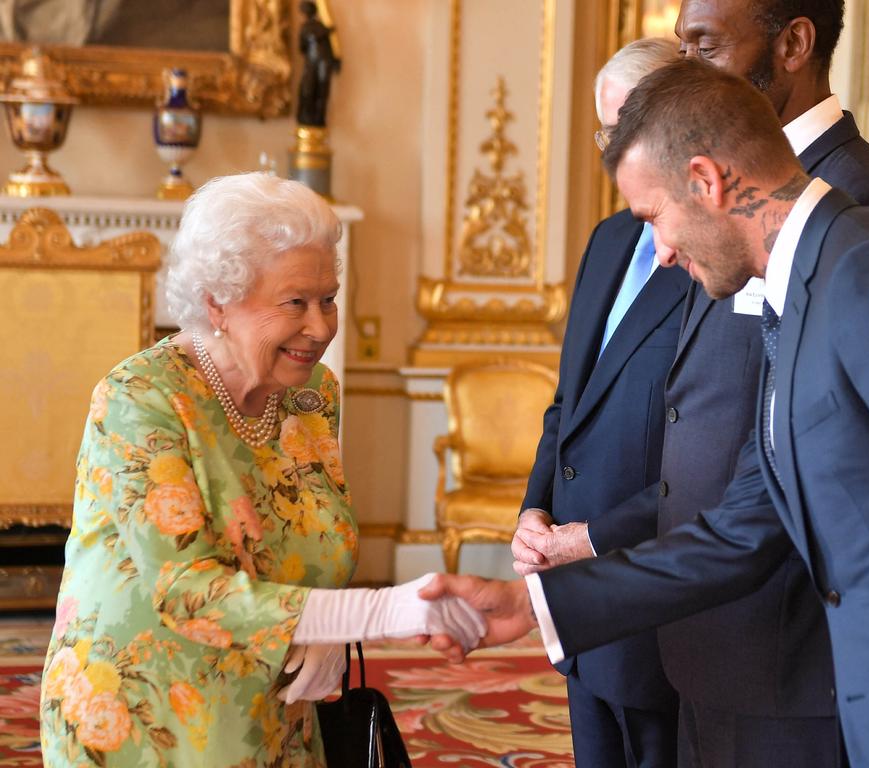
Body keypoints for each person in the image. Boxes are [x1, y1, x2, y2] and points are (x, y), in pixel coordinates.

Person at [423, 58, 869, 767]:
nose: (663, 254)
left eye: (654, 219)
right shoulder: (801, 287)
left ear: (706, 181)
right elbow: (743, 529)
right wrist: (536, 608)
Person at [514, 2, 869, 766]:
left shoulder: (853, 198)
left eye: (704, 47)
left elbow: (805, 469)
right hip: (713, 628)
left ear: (794, 43)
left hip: (786, 653)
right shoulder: (741, 195)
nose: (685, 75)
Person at [39, 173, 484, 767]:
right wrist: (382, 612)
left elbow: (317, 540)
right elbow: (184, 588)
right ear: (216, 302)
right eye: (294, 302)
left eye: (329, 297)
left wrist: (325, 626)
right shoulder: (140, 396)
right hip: (144, 713)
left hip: (273, 707)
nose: (322, 327)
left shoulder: (311, 394)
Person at [516, 36, 684, 768]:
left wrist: (594, 536)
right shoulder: (610, 239)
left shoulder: (713, 255)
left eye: (624, 128)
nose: (610, 149)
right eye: (603, 130)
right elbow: (569, 403)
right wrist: (534, 509)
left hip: (657, 592)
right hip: (578, 594)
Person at [297, 0, 340, 127]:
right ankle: (307, 117)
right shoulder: (316, 28)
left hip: (322, 63)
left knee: (321, 90)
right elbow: (302, 47)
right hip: (313, 63)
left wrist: (336, 60)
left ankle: (318, 118)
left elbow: (302, 47)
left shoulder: (320, 27)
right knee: (308, 90)